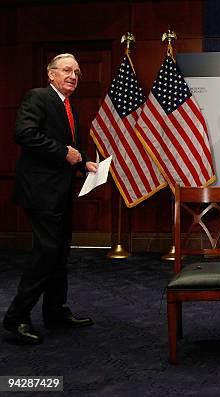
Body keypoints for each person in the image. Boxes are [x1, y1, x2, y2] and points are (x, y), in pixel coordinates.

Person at [3, 53, 98, 344]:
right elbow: (24, 134)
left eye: (78, 72)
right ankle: (16, 317)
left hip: (61, 191)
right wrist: (64, 152)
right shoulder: (38, 97)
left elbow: (71, 149)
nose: (73, 75)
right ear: (51, 74)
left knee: (59, 253)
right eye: (67, 70)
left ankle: (55, 312)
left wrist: (84, 164)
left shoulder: (69, 106)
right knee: (46, 252)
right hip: (41, 192)